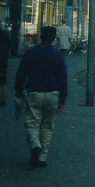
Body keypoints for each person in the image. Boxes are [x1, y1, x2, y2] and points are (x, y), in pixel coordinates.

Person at [15, 26, 68, 169]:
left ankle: (35, 146)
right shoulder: (58, 55)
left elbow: (21, 73)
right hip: (52, 94)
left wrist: (18, 90)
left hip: (34, 93)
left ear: (40, 35)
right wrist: (62, 99)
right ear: (54, 38)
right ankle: (42, 157)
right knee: (47, 126)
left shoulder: (31, 52)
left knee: (32, 123)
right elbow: (63, 79)